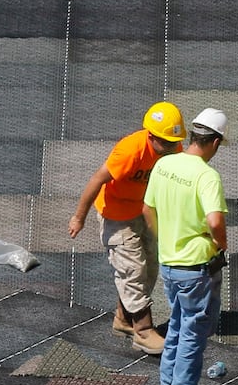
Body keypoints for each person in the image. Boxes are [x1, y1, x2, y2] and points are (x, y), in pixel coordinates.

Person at [66, 102, 186, 355]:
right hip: (116, 215)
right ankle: (143, 332)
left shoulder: (173, 148)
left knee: (151, 266)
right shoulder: (131, 150)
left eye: (174, 142)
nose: (170, 148)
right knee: (132, 269)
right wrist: (79, 217)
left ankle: (123, 319)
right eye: (164, 142)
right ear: (151, 136)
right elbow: (97, 179)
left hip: (144, 210)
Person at [142, 108, 229, 385]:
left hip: (169, 263)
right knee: (193, 333)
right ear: (215, 142)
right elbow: (215, 219)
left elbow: (148, 207)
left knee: (178, 324)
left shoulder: (165, 164)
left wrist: (164, 237)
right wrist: (221, 243)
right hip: (195, 268)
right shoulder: (207, 176)